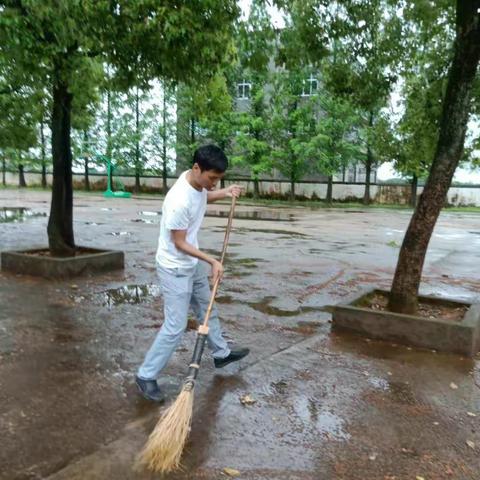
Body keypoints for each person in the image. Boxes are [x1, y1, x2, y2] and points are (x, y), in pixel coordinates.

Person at [135, 144, 250, 402]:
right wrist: (211, 261)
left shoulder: (196, 183)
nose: (213, 183)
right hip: (175, 266)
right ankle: (146, 374)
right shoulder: (178, 200)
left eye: (218, 179)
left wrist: (225, 191)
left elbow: (203, 196)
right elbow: (179, 242)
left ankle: (220, 354)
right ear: (197, 168)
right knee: (175, 327)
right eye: (212, 178)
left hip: (191, 262)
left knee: (207, 307)